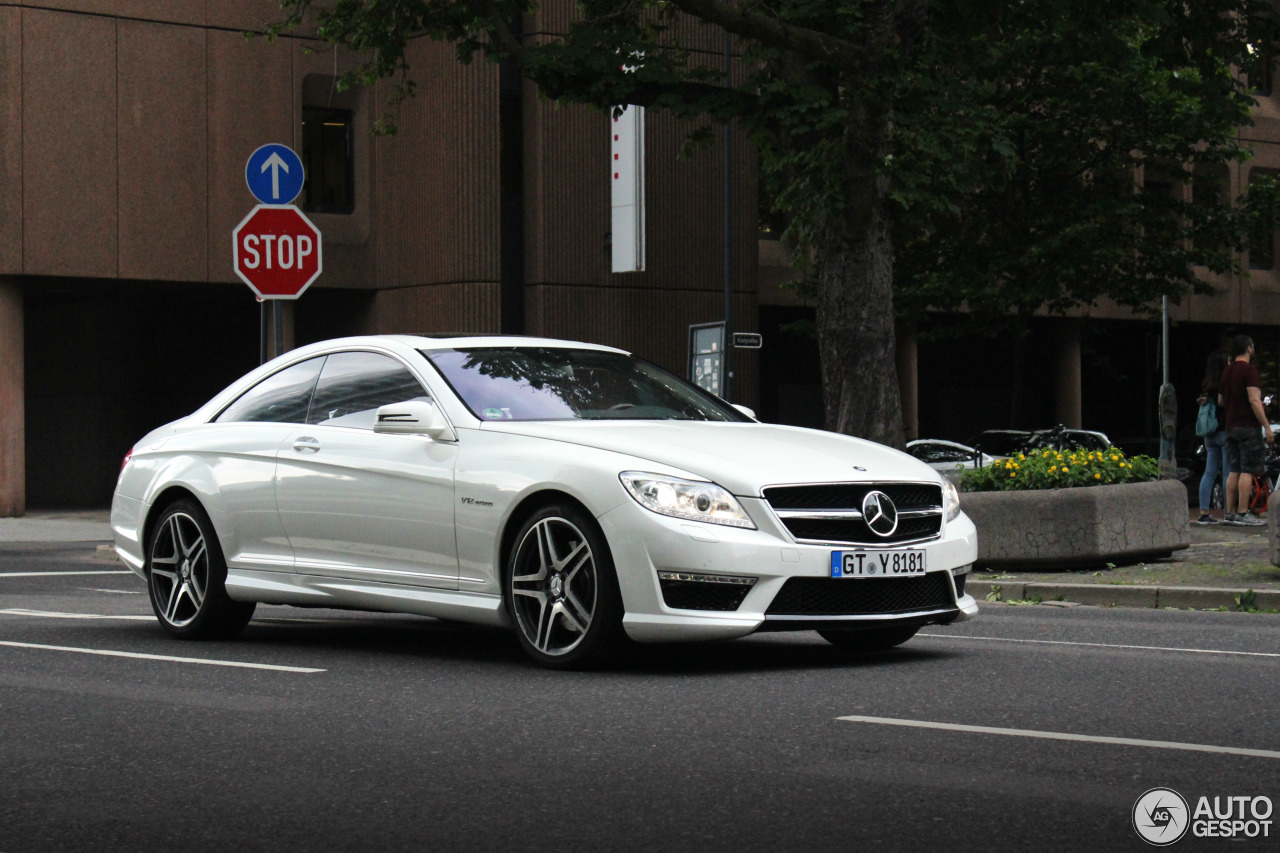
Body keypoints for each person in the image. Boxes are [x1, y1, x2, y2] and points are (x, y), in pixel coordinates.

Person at [1219, 334, 1274, 525]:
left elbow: (1220, 400)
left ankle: (1229, 513)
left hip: (1230, 425)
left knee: (1234, 469)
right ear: (1249, 349)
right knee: (1247, 470)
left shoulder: (1227, 372)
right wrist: (1266, 426)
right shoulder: (1249, 371)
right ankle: (1243, 513)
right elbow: (1254, 400)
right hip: (1248, 426)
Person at [1195, 350, 1231, 524]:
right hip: (1224, 430)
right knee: (1227, 473)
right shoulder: (1224, 384)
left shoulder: (1206, 386)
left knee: (1209, 472)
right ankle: (1228, 512)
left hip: (1209, 433)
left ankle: (1203, 512)